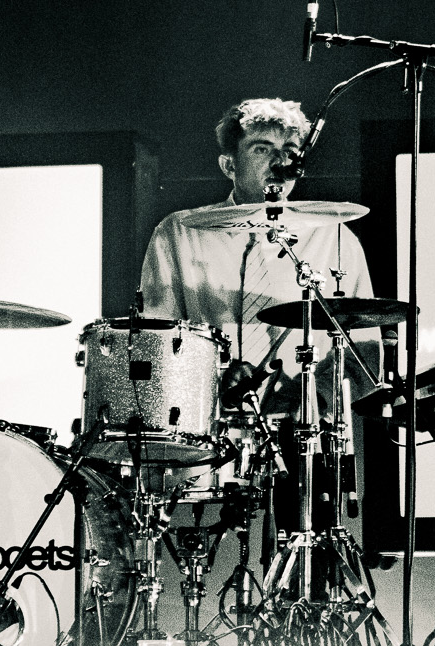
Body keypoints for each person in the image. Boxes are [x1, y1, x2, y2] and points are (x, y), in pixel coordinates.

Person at [138, 98, 377, 416]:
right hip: (207, 423)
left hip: (303, 430)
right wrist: (215, 374)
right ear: (229, 165)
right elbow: (155, 339)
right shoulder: (179, 233)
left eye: (289, 150)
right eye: (262, 149)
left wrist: (316, 398)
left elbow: (365, 348)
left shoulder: (335, 238)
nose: (280, 161)